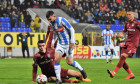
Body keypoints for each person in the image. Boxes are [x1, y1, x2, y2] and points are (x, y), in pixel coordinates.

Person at [46, 10, 87, 84]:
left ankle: (81, 69)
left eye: (50, 19)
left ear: (54, 16)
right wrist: (52, 42)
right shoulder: (51, 24)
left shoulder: (62, 20)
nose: (49, 21)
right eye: (48, 19)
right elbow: (55, 33)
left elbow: (71, 29)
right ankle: (58, 79)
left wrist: (72, 41)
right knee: (56, 59)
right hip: (60, 44)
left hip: (69, 43)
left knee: (69, 62)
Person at [107, 10, 140, 79]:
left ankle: (113, 72)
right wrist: (116, 36)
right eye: (127, 14)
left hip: (133, 44)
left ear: (133, 15)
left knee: (123, 57)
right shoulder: (127, 24)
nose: (128, 16)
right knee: (122, 59)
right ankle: (131, 74)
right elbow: (122, 34)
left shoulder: (137, 23)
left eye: (130, 14)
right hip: (127, 43)